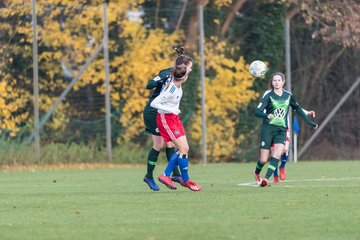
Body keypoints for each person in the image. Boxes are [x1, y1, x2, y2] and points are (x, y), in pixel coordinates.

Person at [253, 72, 318, 187]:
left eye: (279, 80)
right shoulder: (268, 95)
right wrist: (266, 116)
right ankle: (257, 172)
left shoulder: (288, 95)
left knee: (277, 154)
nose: (276, 82)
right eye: (274, 80)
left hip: (282, 130)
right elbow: (257, 112)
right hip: (268, 129)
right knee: (263, 159)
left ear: (283, 82)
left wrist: (310, 122)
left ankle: (266, 179)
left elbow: (297, 108)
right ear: (272, 83)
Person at [142, 47, 193, 191]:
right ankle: (150, 177)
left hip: (164, 112)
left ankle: (175, 175)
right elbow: (149, 85)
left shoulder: (179, 76)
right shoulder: (167, 73)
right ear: (183, 66)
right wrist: (161, 80)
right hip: (154, 111)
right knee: (160, 145)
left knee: (170, 144)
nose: (190, 70)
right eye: (190, 67)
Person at [150, 64, 202, 191]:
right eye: (188, 72)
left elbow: (179, 68)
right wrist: (172, 109)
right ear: (184, 77)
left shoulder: (178, 82)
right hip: (166, 119)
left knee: (184, 149)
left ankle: (167, 175)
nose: (189, 73)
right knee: (183, 148)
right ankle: (185, 179)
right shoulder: (171, 89)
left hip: (174, 118)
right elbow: (154, 103)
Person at [272, 110, 316, 184]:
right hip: (273, 129)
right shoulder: (270, 99)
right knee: (274, 152)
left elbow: (297, 107)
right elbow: (263, 110)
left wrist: (308, 113)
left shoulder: (287, 99)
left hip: (285, 129)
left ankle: (282, 167)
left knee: (285, 149)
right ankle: (275, 175)